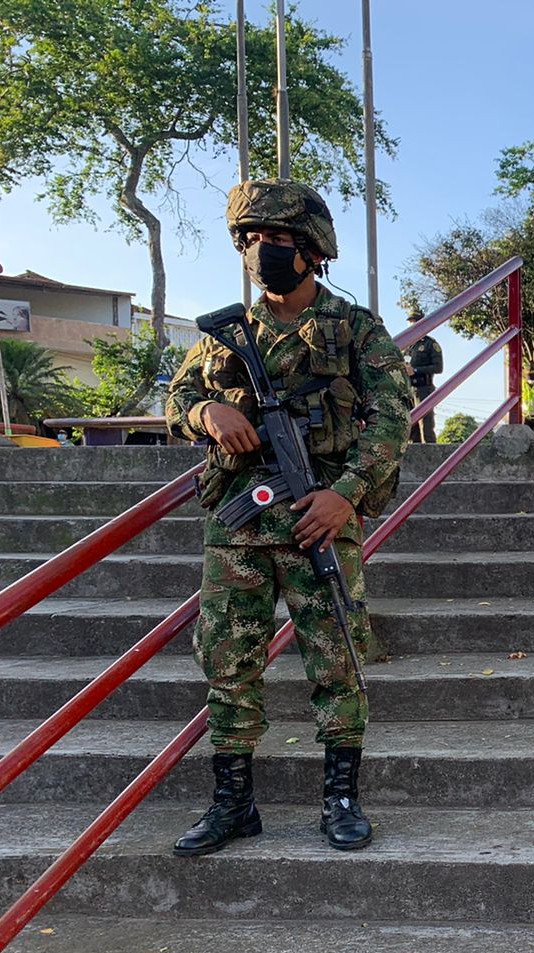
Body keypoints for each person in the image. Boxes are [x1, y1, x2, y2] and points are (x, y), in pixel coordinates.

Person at [164, 179, 411, 856]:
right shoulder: (220, 336)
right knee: (227, 659)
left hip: (319, 519)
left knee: (337, 657)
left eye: (279, 241)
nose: (264, 252)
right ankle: (233, 801)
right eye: (254, 241)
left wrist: (349, 493)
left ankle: (340, 799)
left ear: (311, 250)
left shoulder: (356, 329)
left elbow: (392, 417)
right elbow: (178, 395)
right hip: (240, 525)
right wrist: (205, 413)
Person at [403, 306, 443, 444]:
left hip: (424, 387)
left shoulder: (430, 344)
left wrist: (415, 370)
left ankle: (431, 458)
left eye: (415, 321)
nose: (412, 324)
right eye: (411, 322)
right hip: (408, 389)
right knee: (411, 426)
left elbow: (438, 367)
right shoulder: (408, 346)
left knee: (425, 425)